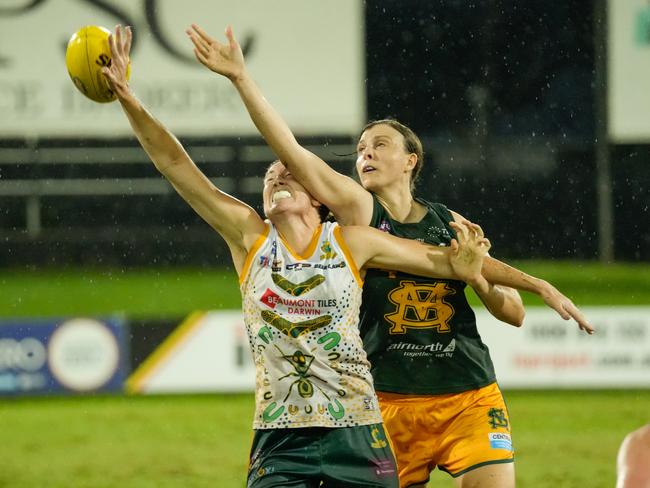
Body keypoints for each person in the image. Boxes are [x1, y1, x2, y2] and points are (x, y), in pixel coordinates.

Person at [185, 24, 594, 488]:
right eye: (360, 149)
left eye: (380, 144)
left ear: (411, 159)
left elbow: (512, 313)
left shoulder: (447, 221)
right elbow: (292, 153)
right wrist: (242, 79)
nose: (366, 154)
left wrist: (494, 280)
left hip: (468, 395)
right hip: (387, 404)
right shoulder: (359, 212)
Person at [102, 25, 504, 488]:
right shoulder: (249, 240)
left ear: (317, 198)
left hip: (358, 433)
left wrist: (480, 269)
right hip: (280, 440)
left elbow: (445, 260)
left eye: (288, 173)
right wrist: (128, 99)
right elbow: (175, 164)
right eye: (269, 177)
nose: (277, 178)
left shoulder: (352, 241)